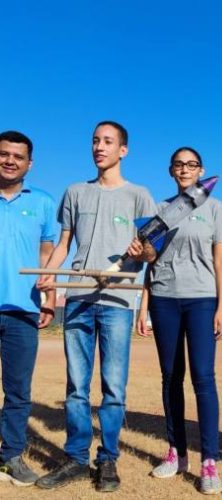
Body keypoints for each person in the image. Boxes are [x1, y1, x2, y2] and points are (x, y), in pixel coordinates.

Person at [35, 121, 157, 493]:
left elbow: (152, 252)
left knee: (114, 387)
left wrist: (143, 250)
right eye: (95, 141)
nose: (99, 147)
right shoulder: (75, 192)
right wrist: (50, 275)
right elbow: (64, 242)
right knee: (76, 386)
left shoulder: (140, 196)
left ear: (123, 150)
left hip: (118, 301)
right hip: (78, 298)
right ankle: (75, 458)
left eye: (108, 142)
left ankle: (108, 460)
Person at [135, 146, 222, 495]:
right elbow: (150, 260)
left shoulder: (216, 208)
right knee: (171, 377)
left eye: (191, 165)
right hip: (164, 299)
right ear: (171, 170)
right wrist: (143, 305)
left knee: (203, 378)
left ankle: (209, 461)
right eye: (179, 164)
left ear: (200, 170)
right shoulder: (160, 211)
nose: (185, 169)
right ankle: (176, 452)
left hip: (202, 300)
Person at [0, 131, 56, 486]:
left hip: (23, 310)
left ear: (29, 163)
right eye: (4, 154)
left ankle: (10, 457)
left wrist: (50, 297)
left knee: (18, 391)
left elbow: (47, 254)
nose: (9, 161)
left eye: (17, 156)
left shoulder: (43, 202)